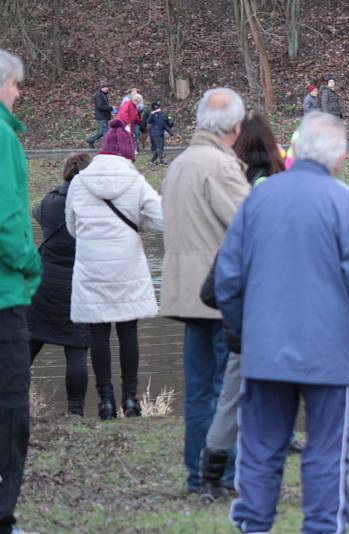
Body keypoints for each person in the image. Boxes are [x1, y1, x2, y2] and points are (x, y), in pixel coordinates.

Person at [217, 111, 349, 534]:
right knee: (327, 453)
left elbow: (227, 277)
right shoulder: (346, 204)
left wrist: (243, 333)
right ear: (340, 159)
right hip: (328, 357)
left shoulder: (258, 199)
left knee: (260, 451)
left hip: (264, 353)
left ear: (296, 150)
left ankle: (253, 527)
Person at [160, 87, 250, 494]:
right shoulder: (220, 166)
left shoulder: (179, 164)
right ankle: (224, 475)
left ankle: (197, 476)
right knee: (224, 391)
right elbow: (250, 225)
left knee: (198, 392)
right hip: (221, 295)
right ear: (234, 126)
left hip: (187, 292)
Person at [197, 111, 288, 501]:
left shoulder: (238, 185)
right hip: (270, 310)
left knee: (231, 396)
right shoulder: (276, 187)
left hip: (243, 310)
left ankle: (211, 480)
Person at [65, 120, 163, 420]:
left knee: (98, 331)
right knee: (127, 329)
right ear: (128, 153)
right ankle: (131, 400)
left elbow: (72, 226)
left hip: (91, 264)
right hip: (126, 264)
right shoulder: (136, 182)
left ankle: (105, 401)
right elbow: (162, 220)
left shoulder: (80, 182)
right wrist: (137, 224)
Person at [0, 48, 42, 534]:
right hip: (4, 296)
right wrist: (32, 265)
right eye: (14, 84)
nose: (19, 93)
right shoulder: (4, 138)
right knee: (9, 410)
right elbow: (9, 219)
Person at [28, 154, 92, 417]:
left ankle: (13, 404)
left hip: (43, 284)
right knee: (76, 349)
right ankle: (75, 412)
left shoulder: (48, 202)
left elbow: (35, 212)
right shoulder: (93, 204)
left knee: (26, 348)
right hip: (78, 285)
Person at [86, 81, 113, 148]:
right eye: (104, 87)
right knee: (105, 132)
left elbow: (103, 105)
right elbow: (100, 106)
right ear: (101, 88)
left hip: (104, 116)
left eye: (107, 87)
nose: (106, 88)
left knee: (101, 132)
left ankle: (91, 140)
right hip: (101, 116)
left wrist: (110, 107)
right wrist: (109, 108)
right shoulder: (99, 95)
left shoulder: (104, 95)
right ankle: (106, 147)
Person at [147, 101, 173, 166]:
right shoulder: (152, 114)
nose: (157, 108)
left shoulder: (162, 114)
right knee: (159, 147)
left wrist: (170, 132)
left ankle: (152, 161)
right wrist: (152, 114)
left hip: (161, 133)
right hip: (154, 133)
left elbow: (165, 125)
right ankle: (162, 159)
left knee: (159, 148)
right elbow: (149, 121)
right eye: (155, 107)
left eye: (158, 107)